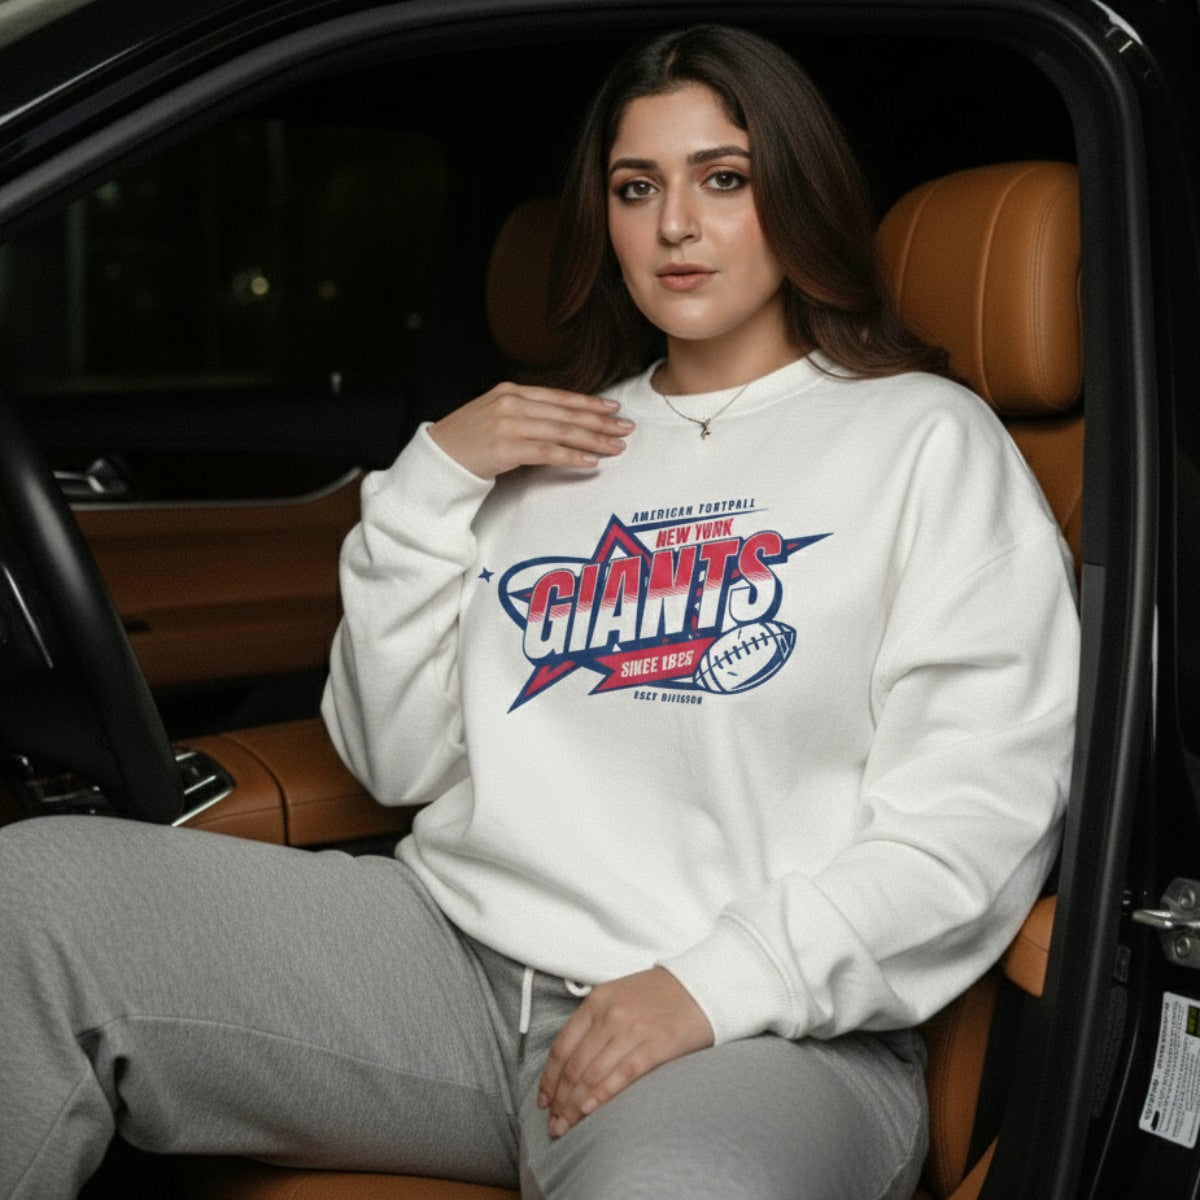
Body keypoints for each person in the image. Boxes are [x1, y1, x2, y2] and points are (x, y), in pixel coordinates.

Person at [0, 23, 1079, 1200]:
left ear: (798, 197)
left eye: (723, 179)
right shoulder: (544, 447)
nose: (675, 224)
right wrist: (427, 488)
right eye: (636, 187)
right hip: (452, 970)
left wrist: (713, 983)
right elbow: (398, 759)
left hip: (757, 1031)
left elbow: (973, 825)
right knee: (32, 900)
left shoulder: (924, 442)